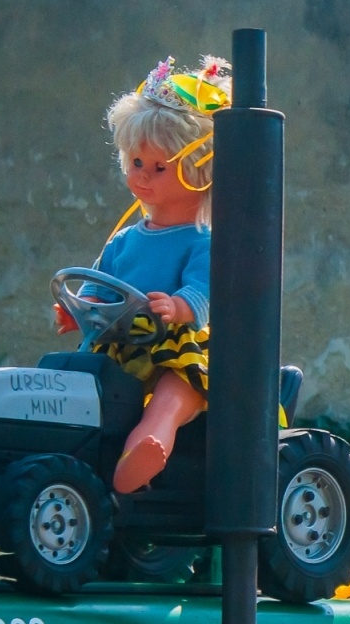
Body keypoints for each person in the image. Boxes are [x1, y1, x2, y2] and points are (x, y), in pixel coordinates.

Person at [55, 56, 229, 493]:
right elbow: (98, 286)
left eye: (158, 168)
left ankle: (151, 441)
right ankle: (73, 456)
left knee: (178, 388)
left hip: (178, 341)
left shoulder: (201, 239)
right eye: (136, 163)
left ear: (200, 172)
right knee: (74, 377)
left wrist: (179, 305)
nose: (143, 177)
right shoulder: (124, 241)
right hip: (121, 344)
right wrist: (80, 311)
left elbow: (205, 290)